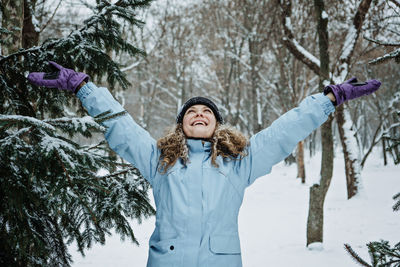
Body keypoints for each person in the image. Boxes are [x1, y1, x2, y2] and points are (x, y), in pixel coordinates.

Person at [28, 62, 381, 267]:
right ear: (182, 124)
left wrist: (330, 97)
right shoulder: (159, 160)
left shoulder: (240, 162)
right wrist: (83, 86)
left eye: (206, 112)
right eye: (192, 112)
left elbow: (283, 131)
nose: (199, 115)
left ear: (217, 124)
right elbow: (121, 126)